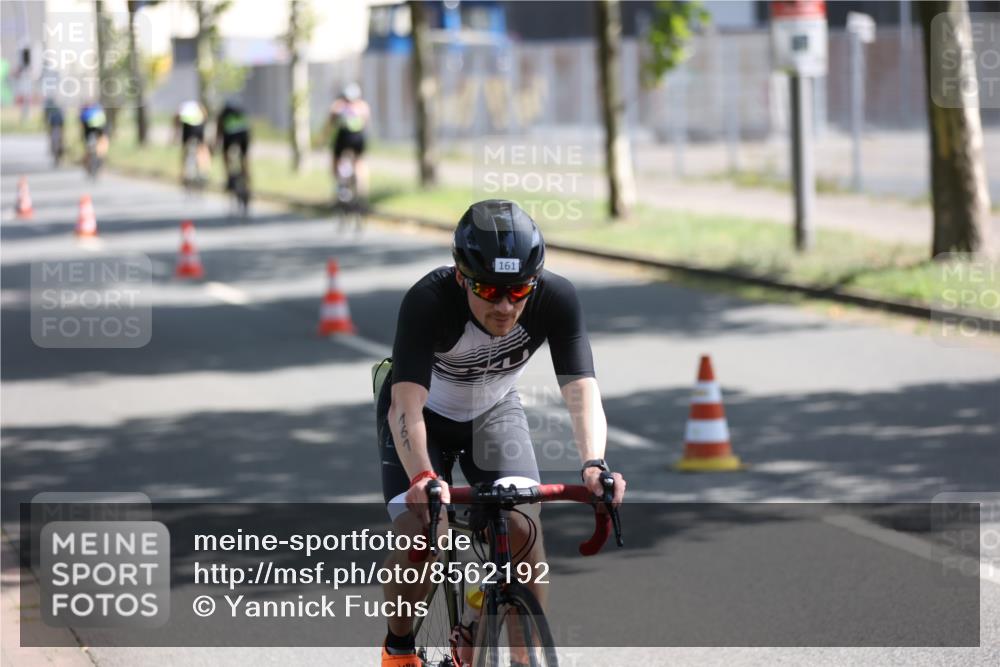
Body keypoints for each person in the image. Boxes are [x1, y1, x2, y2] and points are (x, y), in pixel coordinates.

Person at [374, 199, 627, 666]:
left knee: (522, 529)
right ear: (460, 276)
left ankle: (512, 651)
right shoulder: (428, 301)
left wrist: (594, 463)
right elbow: (405, 407)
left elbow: (582, 388)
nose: (506, 305)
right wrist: (423, 478)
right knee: (425, 530)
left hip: (492, 411)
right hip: (421, 415)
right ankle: (400, 647)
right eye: (489, 290)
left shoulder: (556, 298)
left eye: (519, 289)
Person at [327, 82, 370, 198]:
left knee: (336, 159)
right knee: (359, 163)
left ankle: (339, 185)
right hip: (358, 137)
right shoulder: (363, 106)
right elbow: (366, 122)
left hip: (343, 136)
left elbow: (330, 123)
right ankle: (362, 191)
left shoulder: (338, 105)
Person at [214, 98, 252, 191]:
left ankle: (229, 178)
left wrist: (216, 143)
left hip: (230, 134)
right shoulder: (241, 112)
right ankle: (248, 180)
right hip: (244, 134)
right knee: (244, 157)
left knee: (225, 155)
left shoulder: (223, 114)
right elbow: (248, 128)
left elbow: (219, 132)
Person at [173, 99, 209, 180]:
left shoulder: (183, 105)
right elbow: (205, 115)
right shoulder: (198, 105)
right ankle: (204, 170)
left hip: (188, 127)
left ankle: (183, 173)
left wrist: (175, 133)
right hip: (199, 126)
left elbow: (176, 118)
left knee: (185, 150)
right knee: (202, 148)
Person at [43, 96, 65, 164]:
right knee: (57, 141)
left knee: (56, 141)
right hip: (56, 127)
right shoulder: (56, 111)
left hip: (55, 128)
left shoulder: (51, 111)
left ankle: (57, 152)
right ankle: (56, 153)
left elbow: (48, 121)